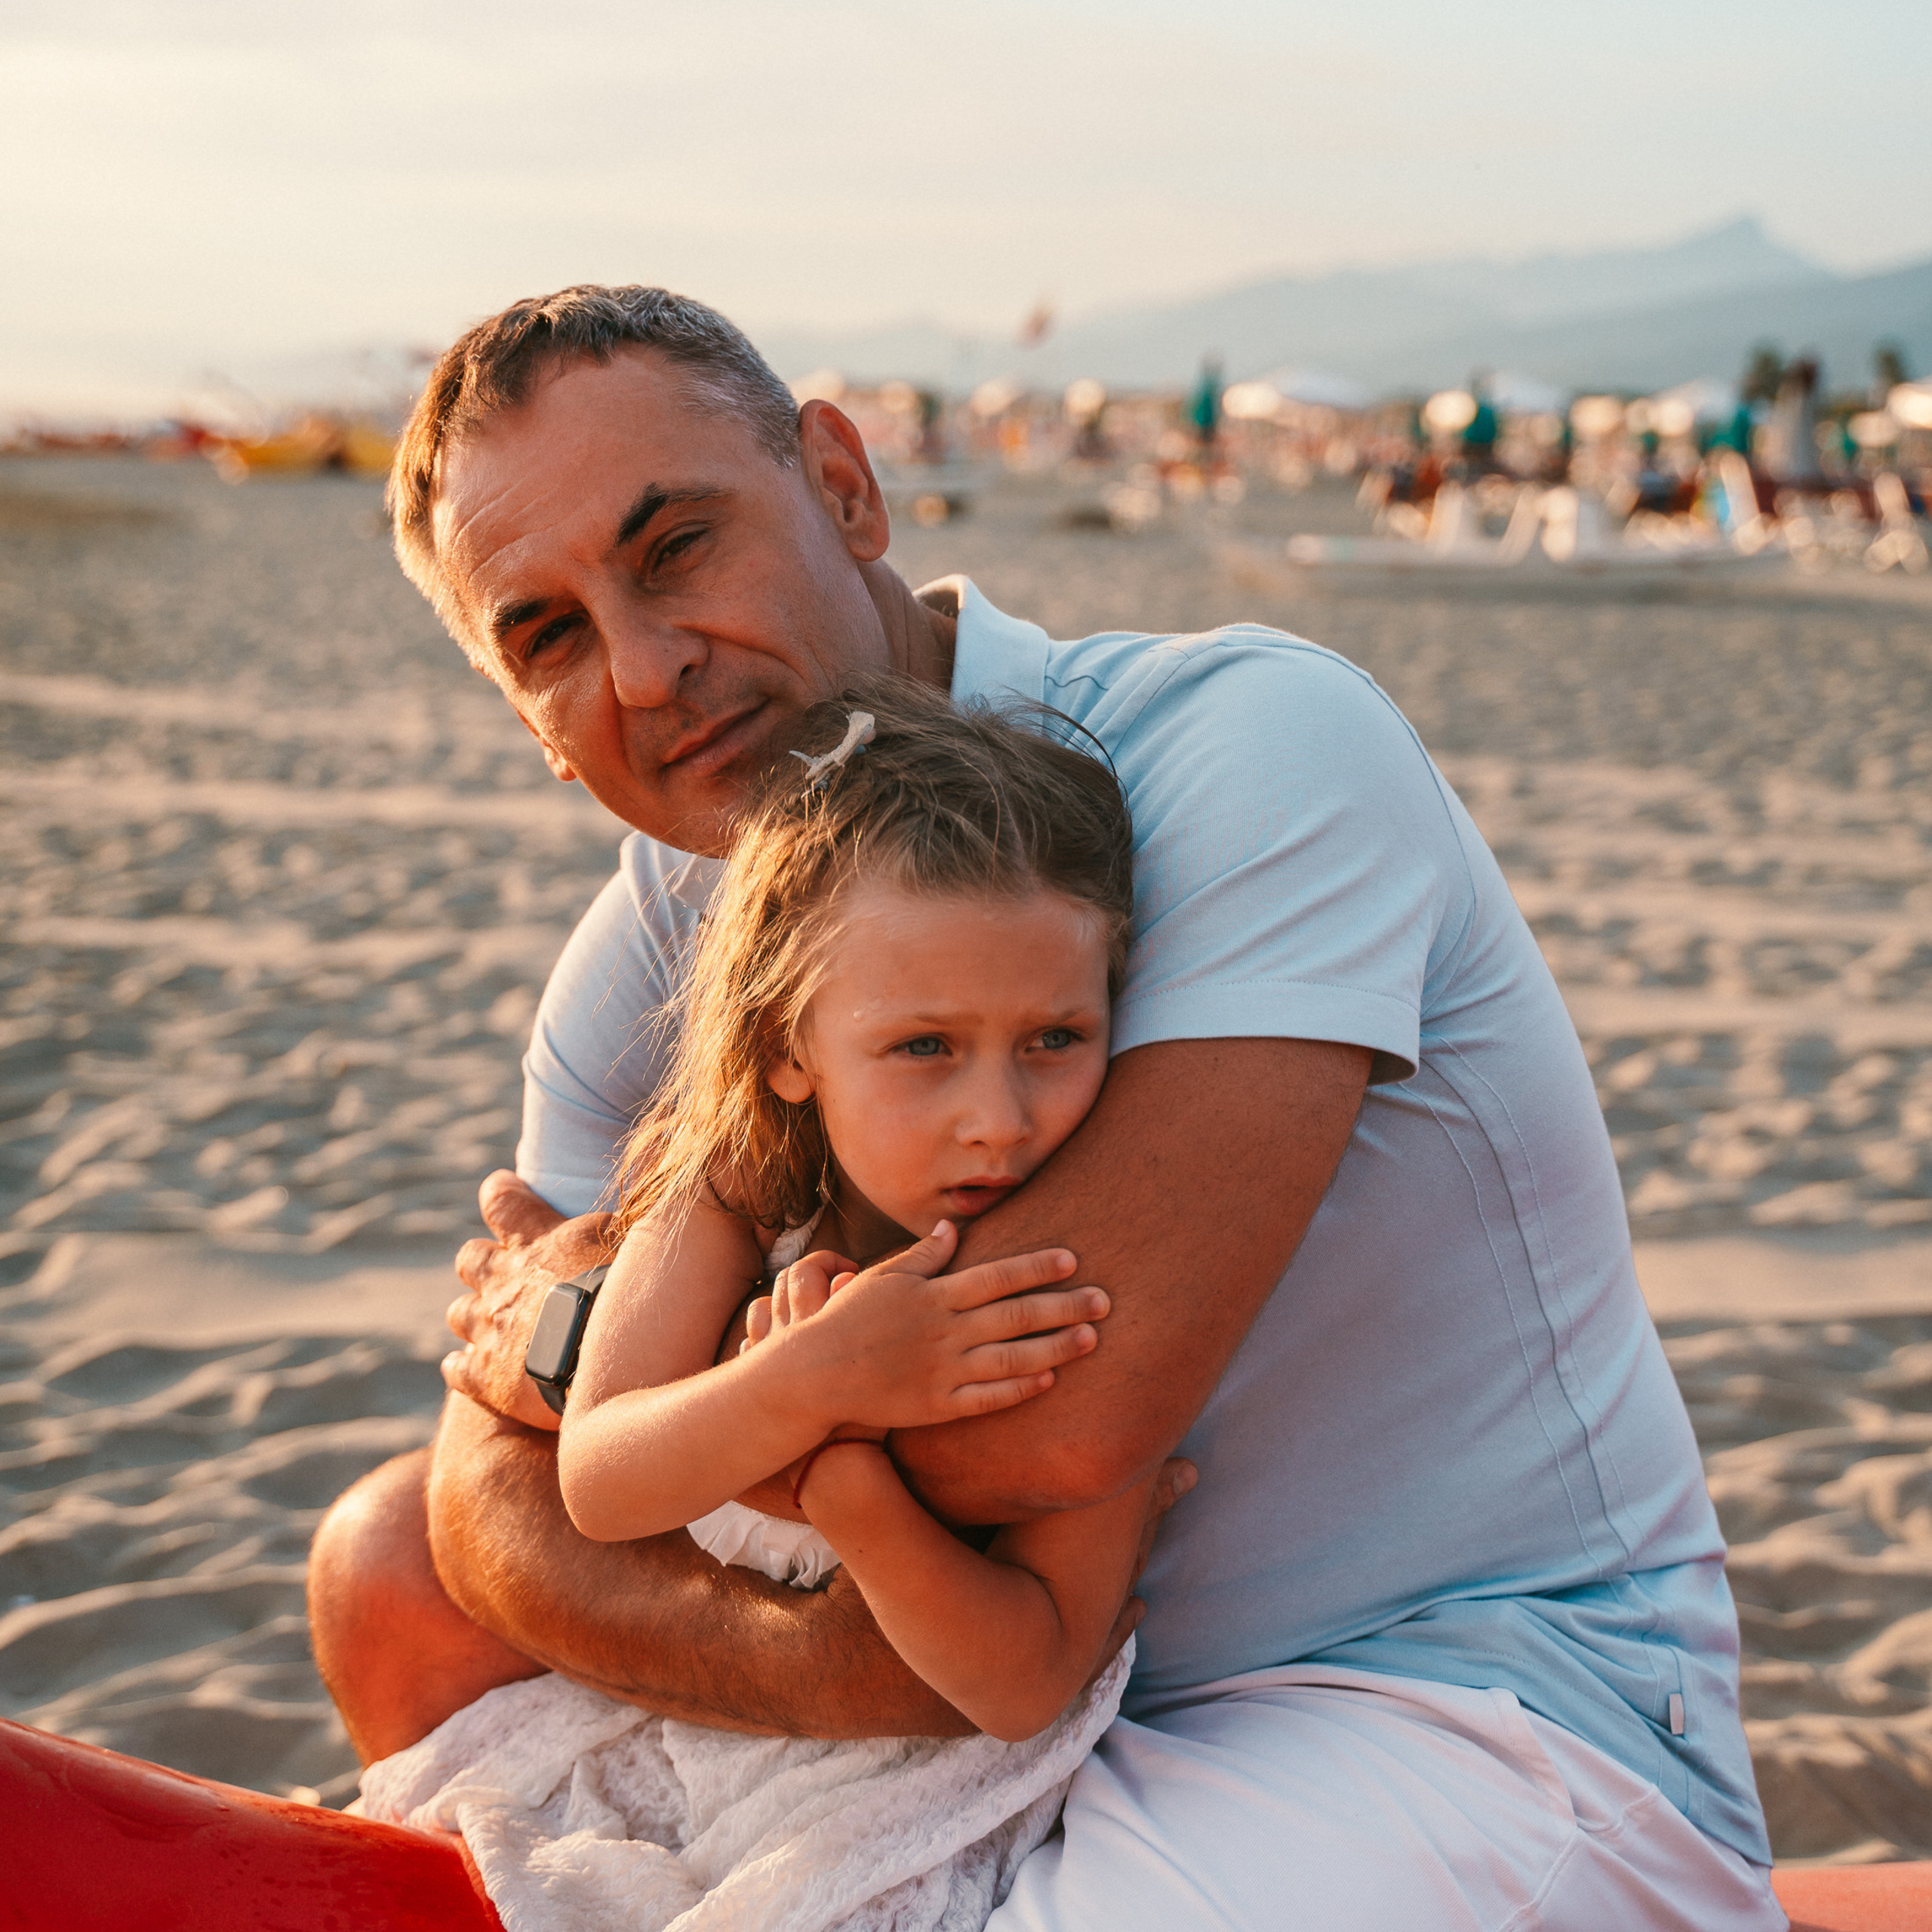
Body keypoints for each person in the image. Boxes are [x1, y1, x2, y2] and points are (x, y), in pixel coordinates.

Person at [309, 285, 1783, 1930]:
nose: (646, 670)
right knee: (382, 1564)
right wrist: (839, 1612)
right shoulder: (648, 962)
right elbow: (484, 1503)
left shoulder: (1244, 749)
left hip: (1442, 1696)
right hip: (973, 1711)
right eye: (551, 636)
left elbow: (1053, 1420)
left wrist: (591, 1350)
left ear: (844, 488)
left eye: (675, 549)